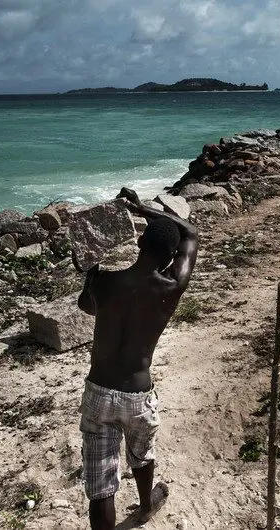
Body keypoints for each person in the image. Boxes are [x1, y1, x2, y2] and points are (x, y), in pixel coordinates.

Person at [71, 187, 198, 529]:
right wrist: (144, 209)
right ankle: (145, 506)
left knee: (100, 487)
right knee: (141, 455)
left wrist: (89, 274)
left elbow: (86, 306)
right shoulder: (171, 285)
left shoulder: (105, 283)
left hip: (99, 390)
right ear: (170, 257)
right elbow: (190, 232)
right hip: (138, 394)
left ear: (139, 245)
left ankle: (133, 509)